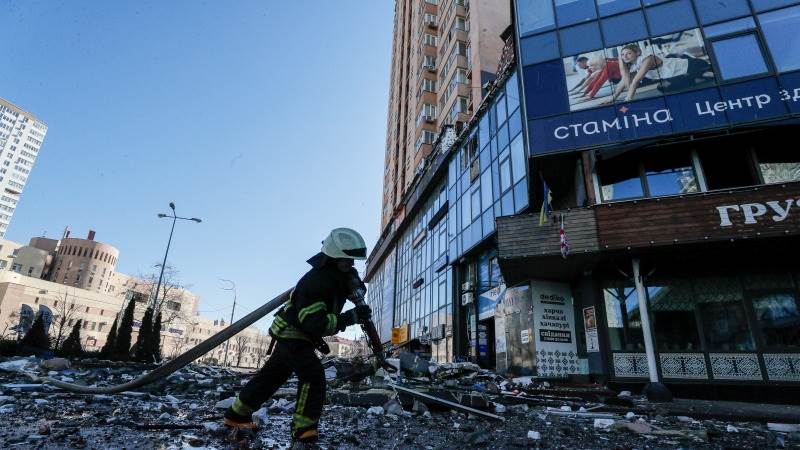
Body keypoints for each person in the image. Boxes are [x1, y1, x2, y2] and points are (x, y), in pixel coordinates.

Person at [222, 228, 373, 449]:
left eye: (353, 262)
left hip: (295, 335)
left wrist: (355, 286)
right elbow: (314, 323)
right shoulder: (317, 281)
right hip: (294, 333)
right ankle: (303, 431)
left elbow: (347, 287)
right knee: (313, 377)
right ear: (334, 258)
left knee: (269, 379)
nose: (351, 265)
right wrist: (349, 318)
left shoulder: (338, 275)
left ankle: (236, 415)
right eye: (347, 261)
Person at [605, 43, 713, 103]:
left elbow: (635, 82)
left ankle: (702, 75)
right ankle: (698, 77)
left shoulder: (647, 60)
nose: (625, 57)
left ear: (637, 53)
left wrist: (628, 99)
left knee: (667, 87)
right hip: (679, 74)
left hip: (694, 65)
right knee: (662, 88)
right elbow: (625, 80)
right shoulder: (635, 65)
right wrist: (614, 97)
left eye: (628, 53)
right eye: (623, 55)